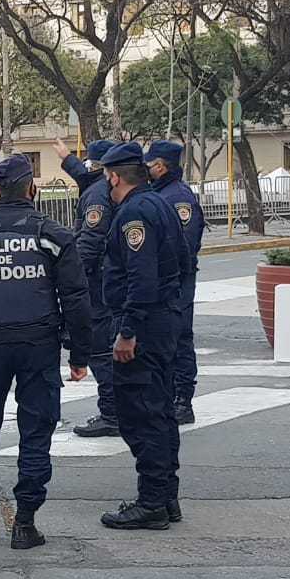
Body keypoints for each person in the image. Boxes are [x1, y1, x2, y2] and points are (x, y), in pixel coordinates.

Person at [0, 153, 93, 549]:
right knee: (36, 432)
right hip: (38, 345)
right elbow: (76, 300)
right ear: (30, 187)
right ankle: (24, 523)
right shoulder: (53, 236)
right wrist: (79, 355)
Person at [96, 142, 189, 531]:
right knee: (162, 411)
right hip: (165, 319)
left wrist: (128, 331)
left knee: (140, 414)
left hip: (143, 324)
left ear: (114, 176)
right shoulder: (161, 204)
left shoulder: (133, 212)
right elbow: (184, 261)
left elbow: (140, 276)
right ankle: (165, 496)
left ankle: (151, 500)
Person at [57, 138, 120, 438]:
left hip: (95, 281)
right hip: (106, 279)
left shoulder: (96, 194)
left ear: (97, 165)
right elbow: (84, 177)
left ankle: (111, 412)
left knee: (99, 349)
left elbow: (90, 241)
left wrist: (73, 276)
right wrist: (67, 158)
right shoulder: (103, 185)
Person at [145, 140, 204, 425]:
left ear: (159, 165)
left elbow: (184, 244)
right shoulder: (160, 192)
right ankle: (167, 396)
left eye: (148, 164)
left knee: (179, 338)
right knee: (164, 340)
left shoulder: (178, 197)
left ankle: (183, 400)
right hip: (164, 282)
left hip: (178, 282)